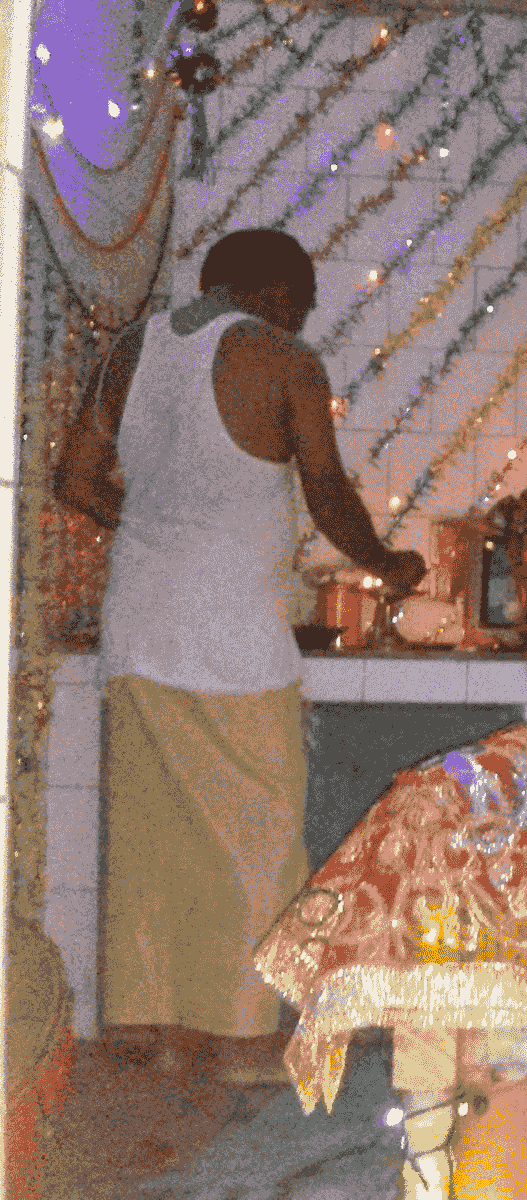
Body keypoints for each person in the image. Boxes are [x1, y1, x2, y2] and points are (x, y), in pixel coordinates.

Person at [54, 229, 427, 1103]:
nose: (302, 320)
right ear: (273, 294)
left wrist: (161, 531)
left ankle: (154, 1040)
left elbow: (75, 479)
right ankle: (243, 1041)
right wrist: (389, 565)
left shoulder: (131, 351)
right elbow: (328, 494)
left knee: (152, 843)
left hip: (139, 632)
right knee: (257, 838)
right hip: (232, 641)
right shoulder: (281, 358)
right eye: (299, 303)